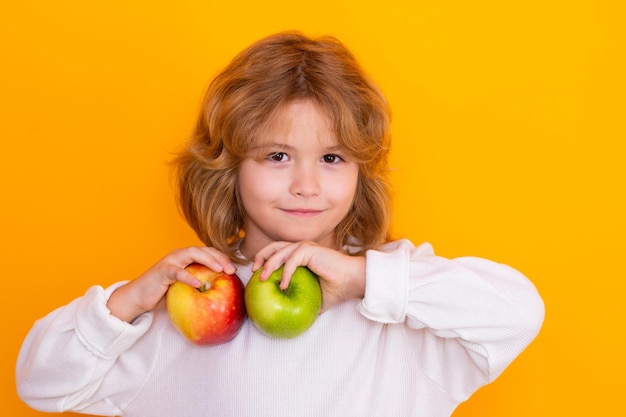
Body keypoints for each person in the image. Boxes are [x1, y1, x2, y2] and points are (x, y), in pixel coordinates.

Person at [16, 31, 544, 417]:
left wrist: (363, 278)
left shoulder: (400, 304)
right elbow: (39, 384)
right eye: (276, 156)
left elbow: (518, 311)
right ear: (230, 167)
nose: (307, 186)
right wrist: (129, 300)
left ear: (361, 173)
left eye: (332, 159)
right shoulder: (181, 309)